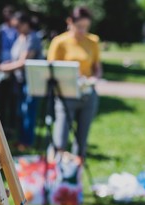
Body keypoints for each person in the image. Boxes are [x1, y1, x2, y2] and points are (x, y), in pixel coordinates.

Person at [47, 6, 102, 161]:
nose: (82, 31)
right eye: (79, 27)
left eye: (86, 27)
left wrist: (95, 79)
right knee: (60, 138)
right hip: (65, 94)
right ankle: (55, 170)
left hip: (87, 94)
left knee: (82, 140)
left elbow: (97, 68)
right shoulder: (59, 42)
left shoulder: (93, 41)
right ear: (70, 22)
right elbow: (51, 69)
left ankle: (75, 177)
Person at [0, 11, 43, 150]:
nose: (16, 28)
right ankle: (21, 140)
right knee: (20, 111)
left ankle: (26, 142)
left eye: (18, 25)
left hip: (33, 80)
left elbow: (23, 62)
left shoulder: (33, 38)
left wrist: (3, 67)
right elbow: (15, 58)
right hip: (20, 80)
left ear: (26, 24)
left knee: (28, 111)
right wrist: (6, 64)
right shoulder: (21, 37)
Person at [0, 5, 18, 137]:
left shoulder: (18, 31)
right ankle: (0, 128)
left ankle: (11, 128)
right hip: (1, 68)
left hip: (14, 70)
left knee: (13, 100)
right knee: (0, 100)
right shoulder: (0, 30)